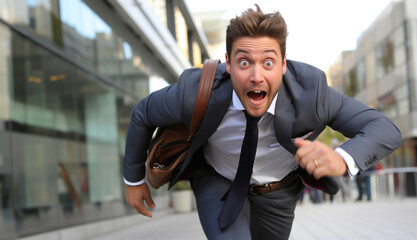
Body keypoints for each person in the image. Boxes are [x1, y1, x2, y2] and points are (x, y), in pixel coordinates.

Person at [123, 5, 401, 240]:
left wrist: (342, 159)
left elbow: (384, 128)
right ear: (228, 65)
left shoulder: (313, 95)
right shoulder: (197, 92)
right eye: (244, 63)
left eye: (268, 63)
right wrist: (134, 180)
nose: (256, 76)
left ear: (283, 65)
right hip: (218, 182)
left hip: (278, 191)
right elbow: (143, 113)